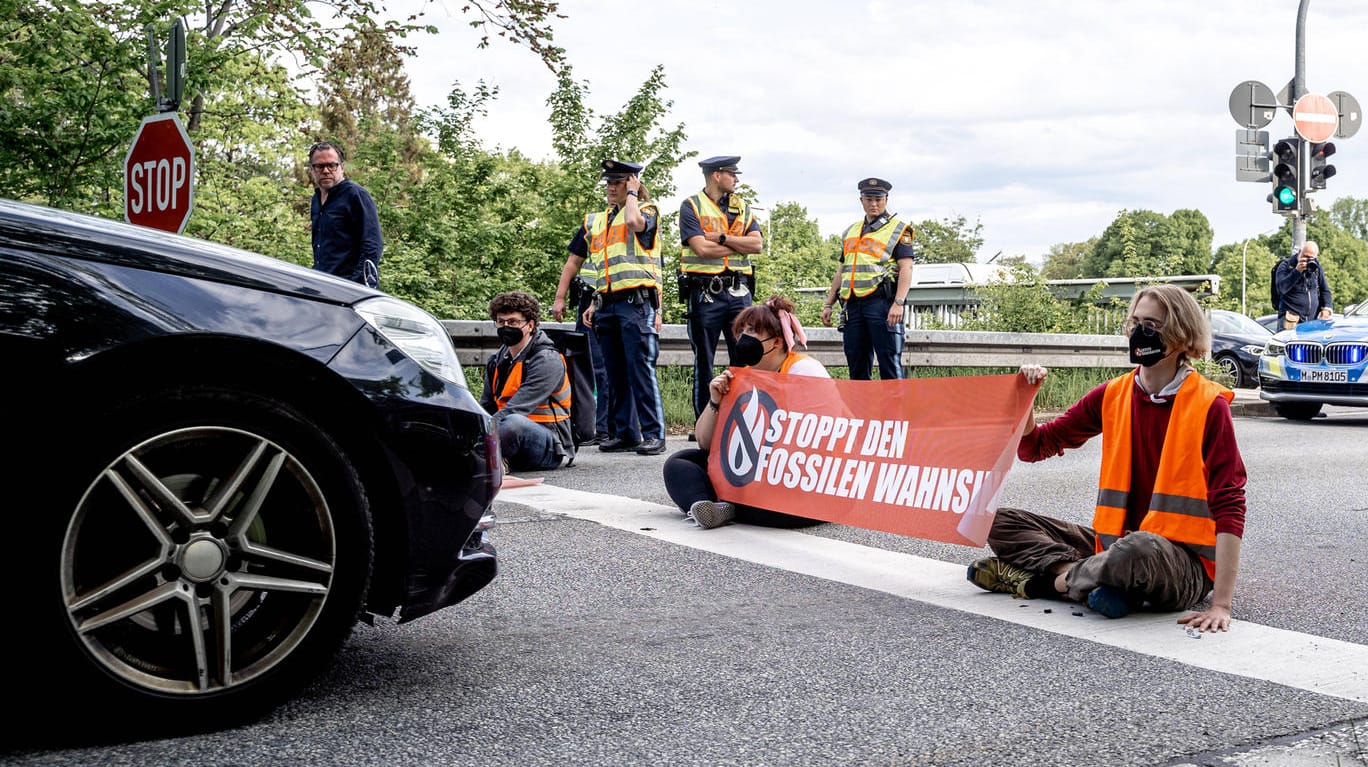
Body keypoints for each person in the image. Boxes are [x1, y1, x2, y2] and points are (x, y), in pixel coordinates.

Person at [966, 284, 1246, 633]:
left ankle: (1051, 584)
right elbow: (1036, 447)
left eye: (1153, 324)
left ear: (1182, 335)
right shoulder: (1113, 394)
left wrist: (1221, 605)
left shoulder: (1209, 404)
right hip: (1112, 545)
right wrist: (1026, 401)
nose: (1140, 331)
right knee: (995, 519)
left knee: (1139, 547)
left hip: (1179, 562)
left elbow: (1230, 504)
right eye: (1135, 321)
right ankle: (1099, 586)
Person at [663, 295, 830, 529]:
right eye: (741, 331)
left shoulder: (804, 369)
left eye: (752, 331)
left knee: (765, 491)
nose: (743, 338)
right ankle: (707, 506)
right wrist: (715, 401)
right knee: (679, 463)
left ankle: (728, 503)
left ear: (777, 342)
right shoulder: (743, 377)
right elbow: (705, 443)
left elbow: (822, 434)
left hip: (794, 472)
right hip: (755, 472)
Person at [573, 159, 667, 456]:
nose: (610, 188)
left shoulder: (646, 210)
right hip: (607, 304)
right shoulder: (598, 220)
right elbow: (600, 266)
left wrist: (633, 195)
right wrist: (594, 302)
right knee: (615, 374)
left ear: (631, 184)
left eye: (617, 183)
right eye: (609, 183)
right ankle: (624, 433)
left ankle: (653, 434)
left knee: (640, 370)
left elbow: (634, 223)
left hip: (635, 303)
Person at [678, 155, 764, 423]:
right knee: (704, 361)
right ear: (717, 175)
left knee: (745, 358)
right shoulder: (691, 206)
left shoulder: (742, 206)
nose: (736, 179)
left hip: (739, 293)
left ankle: (741, 420)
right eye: (732, 174)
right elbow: (701, 249)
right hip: (705, 294)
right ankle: (705, 422)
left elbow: (757, 245)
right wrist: (739, 243)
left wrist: (723, 238)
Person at [820, 178, 915, 380]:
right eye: (869, 199)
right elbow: (842, 269)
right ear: (861, 200)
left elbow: (906, 267)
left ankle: (894, 412)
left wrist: (899, 302)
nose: (874, 204)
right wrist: (828, 303)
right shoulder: (851, 231)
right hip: (853, 306)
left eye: (878, 199)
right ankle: (861, 412)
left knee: (889, 363)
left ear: (886, 199)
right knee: (856, 363)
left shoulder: (899, 229)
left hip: (881, 304)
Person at [479, 291, 575, 471]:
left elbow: (517, 409)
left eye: (513, 322)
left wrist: (480, 433)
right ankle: (492, 460)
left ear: (530, 325)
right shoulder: (496, 360)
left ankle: (487, 461)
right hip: (507, 435)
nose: (506, 327)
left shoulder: (547, 360)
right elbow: (486, 407)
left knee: (513, 422)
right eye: (501, 322)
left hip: (549, 445)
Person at [552, 222, 616, 446]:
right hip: (588, 300)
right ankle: (589, 427)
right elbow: (573, 262)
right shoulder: (593, 224)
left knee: (606, 369)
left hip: (615, 301)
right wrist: (560, 297)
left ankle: (604, 428)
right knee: (587, 366)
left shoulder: (637, 222)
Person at [307, 141, 382, 288]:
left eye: (332, 165)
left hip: (350, 290)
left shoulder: (355, 195)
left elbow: (372, 245)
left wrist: (355, 287)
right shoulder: (316, 200)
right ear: (312, 170)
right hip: (323, 286)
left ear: (341, 167)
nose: (326, 171)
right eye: (320, 166)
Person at [1273, 240, 1333, 330]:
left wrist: (1327, 309)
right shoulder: (1286, 265)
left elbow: (1325, 290)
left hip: (1312, 322)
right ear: (1300, 252)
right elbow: (1281, 288)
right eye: (1305, 256)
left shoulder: (1316, 267)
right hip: (1290, 321)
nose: (1307, 260)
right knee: (1290, 344)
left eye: (1311, 258)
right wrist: (1297, 271)